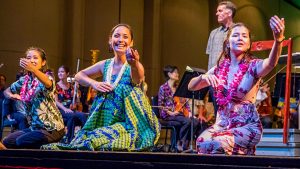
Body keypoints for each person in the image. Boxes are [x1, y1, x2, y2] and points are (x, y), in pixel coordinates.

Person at [41, 24, 160, 151]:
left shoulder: (134, 65)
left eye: (125, 37)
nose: (120, 40)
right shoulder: (105, 65)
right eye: (116, 36)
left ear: (131, 42)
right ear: (110, 40)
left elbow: (138, 78)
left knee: (102, 142)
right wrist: (94, 83)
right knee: (89, 140)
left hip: (129, 122)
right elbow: (79, 76)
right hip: (104, 120)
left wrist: (134, 64)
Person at [188, 15, 285, 155]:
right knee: (202, 143)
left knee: (215, 143)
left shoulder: (253, 66)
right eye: (236, 35)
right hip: (221, 126)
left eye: (244, 36)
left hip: (247, 127)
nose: (240, 38)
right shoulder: (219, 68)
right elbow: (191, 86)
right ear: (227, 42)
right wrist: (203, 77)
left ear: (249, 43)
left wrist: (278, 40)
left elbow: (270, 63)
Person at [1, 47, 65, 149]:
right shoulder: (24, 80)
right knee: (8, 141)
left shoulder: (47, 77)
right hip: (35, 128)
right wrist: (12, 95)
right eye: (28, 58)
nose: (31, 60)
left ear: (43, 62)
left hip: (52, 128)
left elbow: (48, 83)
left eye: (35, 58)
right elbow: (6, 91)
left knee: (21, 141)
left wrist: (33, 69)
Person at [158, 65, 200, 152]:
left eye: (177, 72)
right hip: (168, 115)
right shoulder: (163, 88)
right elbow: (160, 105)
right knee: (187, 121)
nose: (177, 74)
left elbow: (185, 104)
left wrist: (190, 113)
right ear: (169, 74)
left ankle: (186, 143)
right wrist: (170, 113)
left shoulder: (178, 88)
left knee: (196, 121)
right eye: (175, 72)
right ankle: (179, 142)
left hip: (180, 114)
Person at [206, 1, 237, 119]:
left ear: (229, 12)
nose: (216, 13)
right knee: (217, 112)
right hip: (214, 80)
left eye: (220, 11)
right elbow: (210, 57)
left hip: (231, 79)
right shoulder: (213, 33)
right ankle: (218, 136)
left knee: (231, 112)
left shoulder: (237, 30)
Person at [55, 65, 87, 143]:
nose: (60, 73)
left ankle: (84, 137)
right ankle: (70, 140)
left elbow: (78, 102)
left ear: (67, 74)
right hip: (61, 110)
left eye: (62, 72)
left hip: (71, 109)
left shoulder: (72, 87)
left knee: (83, 115)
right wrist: (65, 109)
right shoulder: (55, 86)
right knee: (71, 116)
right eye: (59, 72)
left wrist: (77, 93)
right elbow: (55, 101)